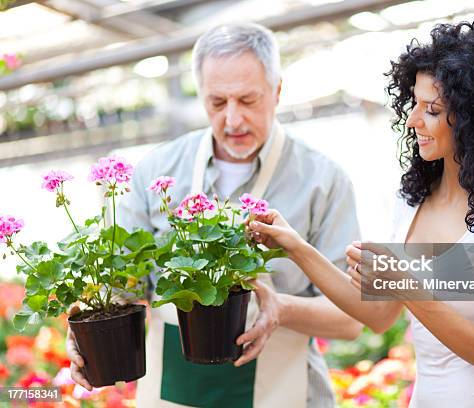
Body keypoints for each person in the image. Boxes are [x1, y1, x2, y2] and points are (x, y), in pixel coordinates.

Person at [247, 19, 474, 408]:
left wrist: (408, 285)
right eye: (414, 103)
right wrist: (296, 247)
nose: (413, 120)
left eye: (431, 109)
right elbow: (380, 315)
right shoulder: (414, 198)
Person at [66, 23, 363, 408]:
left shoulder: (324, 180)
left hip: (286, 392)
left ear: (277, 91)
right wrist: (87, 326)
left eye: (248, 100)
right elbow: (125, 288)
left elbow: (352, 319)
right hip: (173, 390)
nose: (233, 120)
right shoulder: (158, 169)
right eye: (218, 103)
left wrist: (281, 308)